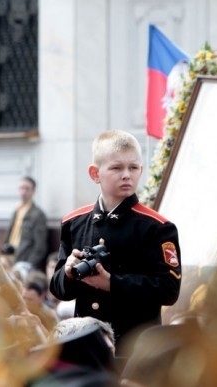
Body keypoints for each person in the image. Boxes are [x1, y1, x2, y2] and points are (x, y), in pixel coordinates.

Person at [49, 130, 182, 349]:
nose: (127, 175)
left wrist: (112, 283)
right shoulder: (74, 222)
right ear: (95, 173)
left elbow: (169, 290)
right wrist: (68, 273)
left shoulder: (157, 227)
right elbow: (59, 289)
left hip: (135, 347)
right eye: (116, 168)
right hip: (90, 347)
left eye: (134, 167)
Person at [2, 176, 48, 271]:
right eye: (21, 188)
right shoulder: (16, 211)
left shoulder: (38, 214)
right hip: (10, 259)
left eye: (27, 188)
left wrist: (29, 265)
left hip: (24, 262)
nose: (23, 192)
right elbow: (9, 237)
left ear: (33, 191)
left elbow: (40, 246)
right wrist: (4, 256)